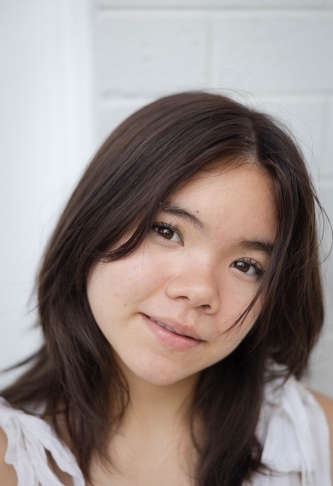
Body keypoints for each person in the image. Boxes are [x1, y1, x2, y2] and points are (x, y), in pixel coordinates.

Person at [0, 91, 332, 486]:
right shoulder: (12, 459)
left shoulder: (318, 443)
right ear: (96, 220)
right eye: (167, 231)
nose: (198, 291)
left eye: (246, 266)